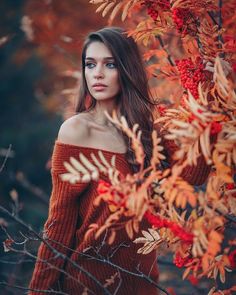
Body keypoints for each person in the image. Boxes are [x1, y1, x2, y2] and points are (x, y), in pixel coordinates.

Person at [29, 27, 210, 295]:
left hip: (141, 283)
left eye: (109, 64)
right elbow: (59, 222)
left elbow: (194, 176)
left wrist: (209, 103)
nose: (97, 73)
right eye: (90, 64)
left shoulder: (151, 130)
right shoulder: (77, 130)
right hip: (86, 283)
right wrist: (37, 291)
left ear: (127, 69)